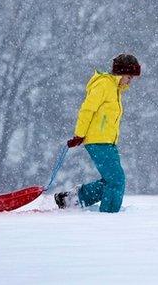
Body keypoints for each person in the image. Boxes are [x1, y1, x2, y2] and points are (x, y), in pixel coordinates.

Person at [54, 53, 141, 213]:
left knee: (111, 181)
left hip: (107, 142)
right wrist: (79, 134)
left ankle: (72, 199)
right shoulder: (104, 85)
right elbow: (87, 110)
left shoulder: (115, 89)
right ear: (121, 72)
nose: (131, 80)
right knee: (116, 180)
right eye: (129, 76)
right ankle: (109, 217)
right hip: (98, 141)